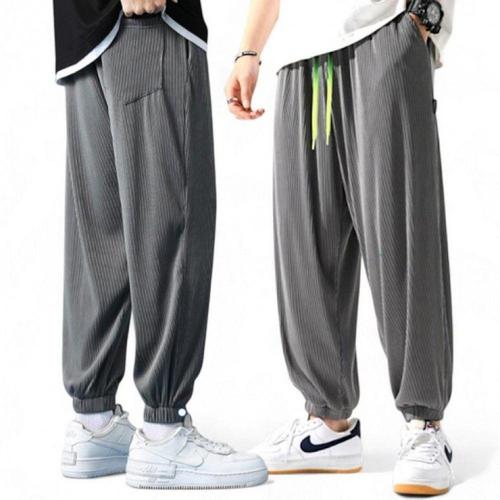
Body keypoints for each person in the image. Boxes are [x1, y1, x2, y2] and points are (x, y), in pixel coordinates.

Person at [226, 0, 455, 495]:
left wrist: (425, 17)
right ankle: (327, 424)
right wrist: (249, 50)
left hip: (383, 29)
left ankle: (424, 423)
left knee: (402, 238)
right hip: (300, 58)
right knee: (306, 245)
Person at [54, 0, 267, 489]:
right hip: (146, 25)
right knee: (171, 223)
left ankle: (94, 423)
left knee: (102, 237)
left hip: (81, 32)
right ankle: (164, 432)